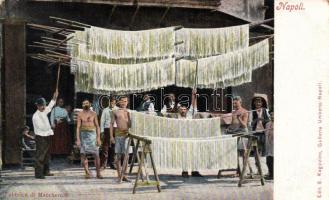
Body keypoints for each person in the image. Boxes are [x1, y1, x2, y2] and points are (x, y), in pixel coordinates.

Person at [165, 89, 202, 178]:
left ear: (186, 110)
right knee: (184, 155)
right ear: (179, 110)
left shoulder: (189, 115)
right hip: (182, 139)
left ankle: (195, 171)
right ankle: (184, 171)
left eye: (184, 109)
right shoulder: (177, 118)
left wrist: (193, 95)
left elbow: (193, 106)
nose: (183, 111)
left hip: (192, 138)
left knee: (194, 154)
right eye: (181, 109)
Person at [32, 90, 58, 179]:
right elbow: (42, 127)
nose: (43, 107)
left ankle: (46, 171)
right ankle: (38, 174)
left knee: (47, 155)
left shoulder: (44, 111)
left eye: (44, 105)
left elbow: (50, 106)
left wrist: (55, 97)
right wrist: (52, 127)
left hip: (47, 136)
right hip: (40, 137)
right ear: (38, 106)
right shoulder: (35, 116)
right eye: (42, 106)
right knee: (40, 155)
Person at [76, 99, 102, 179]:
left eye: (87, 103)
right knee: (83, 154)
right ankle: (87, 173)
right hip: (83, 135)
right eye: (83, 103)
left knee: (96, 155)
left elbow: (97, 126)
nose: (85, 104)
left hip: (93, 135)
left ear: (90, 104)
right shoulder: (80, 114)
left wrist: (98, 138)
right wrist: (78, 139)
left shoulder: (93, 113)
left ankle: (98, 173)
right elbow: (78, 127)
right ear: (82, 105)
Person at [110, 96, 131, 182]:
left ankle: (124, 175)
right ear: (119, 102)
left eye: (125, 101)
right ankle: (119, 176)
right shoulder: (115, 112)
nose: (123, 103)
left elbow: (130, 125)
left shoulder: (129, 112)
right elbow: (111, 124)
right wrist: (111, 137)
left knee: (126, 156)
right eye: (122, 101)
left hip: (127, 135)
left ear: (127, 102)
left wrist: (129, 117)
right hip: (118, 135)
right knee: (118, 156)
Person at [100, 96, 118, 170]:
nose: (112, 103)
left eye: (114, 102)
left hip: (115, 129)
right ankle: (103, 164)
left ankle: (112, 163)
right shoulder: (105, 110)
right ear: (109, 102)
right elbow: (102, 121)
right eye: (111, 102)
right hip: (107, 129)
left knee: (114, 147)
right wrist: (102, 131)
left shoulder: (117, 109)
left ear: (115, 102)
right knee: (105, 147)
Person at [265, 110, 274, 180]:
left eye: (273, 115)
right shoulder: (267, 124)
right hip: (269, 144)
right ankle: (271, 174)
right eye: (271, 115)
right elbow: (266, 134)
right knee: (268, 160)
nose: (272, 116)